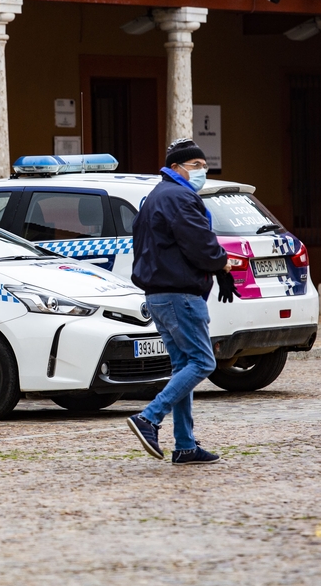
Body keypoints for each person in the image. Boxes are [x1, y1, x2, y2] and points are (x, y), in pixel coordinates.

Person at [125, 138, 238, 466]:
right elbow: (199, 243)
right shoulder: (178, 196)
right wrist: (221, 263)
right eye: (196, 166)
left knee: (183, 367)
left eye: (205, 165)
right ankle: (149, 417)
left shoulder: (158, 195)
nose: (202, 171)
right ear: (176, 168)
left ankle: (185, 445)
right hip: (179, 294)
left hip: (160, 293)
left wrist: (215, 263)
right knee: (203, 363)